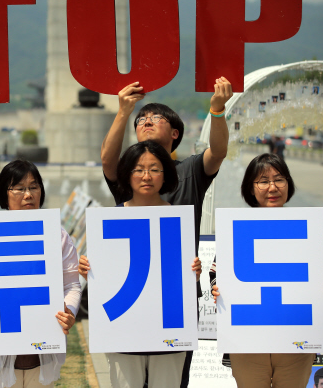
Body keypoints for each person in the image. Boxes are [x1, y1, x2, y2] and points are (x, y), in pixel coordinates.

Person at [95, 77, 232, 386]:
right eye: (140, 119)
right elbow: (107, 159)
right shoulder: (129, 176)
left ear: (175, 134)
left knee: (171, 378)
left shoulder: (192, 170)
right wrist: (122, 112)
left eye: (154, 118)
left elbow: (219, 151)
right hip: (129, 295)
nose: (145, 121)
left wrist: (218, 110)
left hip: (175, 296)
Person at [79, 140, 202, 388]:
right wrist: (87, 269)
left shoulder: (178, 220)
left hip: (169, 333)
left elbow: (177, 278)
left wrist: (193, 274)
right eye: (138, 169)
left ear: (165, 174)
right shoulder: (110, 220)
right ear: (127, 173)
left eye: (155, 169)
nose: (147, 176)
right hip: (123, 333)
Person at [0, 159, 81, 387]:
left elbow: (72, 285)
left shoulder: (57, 236)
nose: (28, 194)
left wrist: (68, 310)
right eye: (19, 188)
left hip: (42, 356)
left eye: (33, 186)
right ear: (4, 194)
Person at [211, 153, 323, 387]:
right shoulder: (237, 228)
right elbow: (216, 272)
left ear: (289, 184)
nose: (273, 187)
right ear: (250, 188)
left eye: (279, 179)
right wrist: (217, 289)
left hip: (295, 340)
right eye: (263, 181)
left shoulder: (305, 227)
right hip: (248, 342)